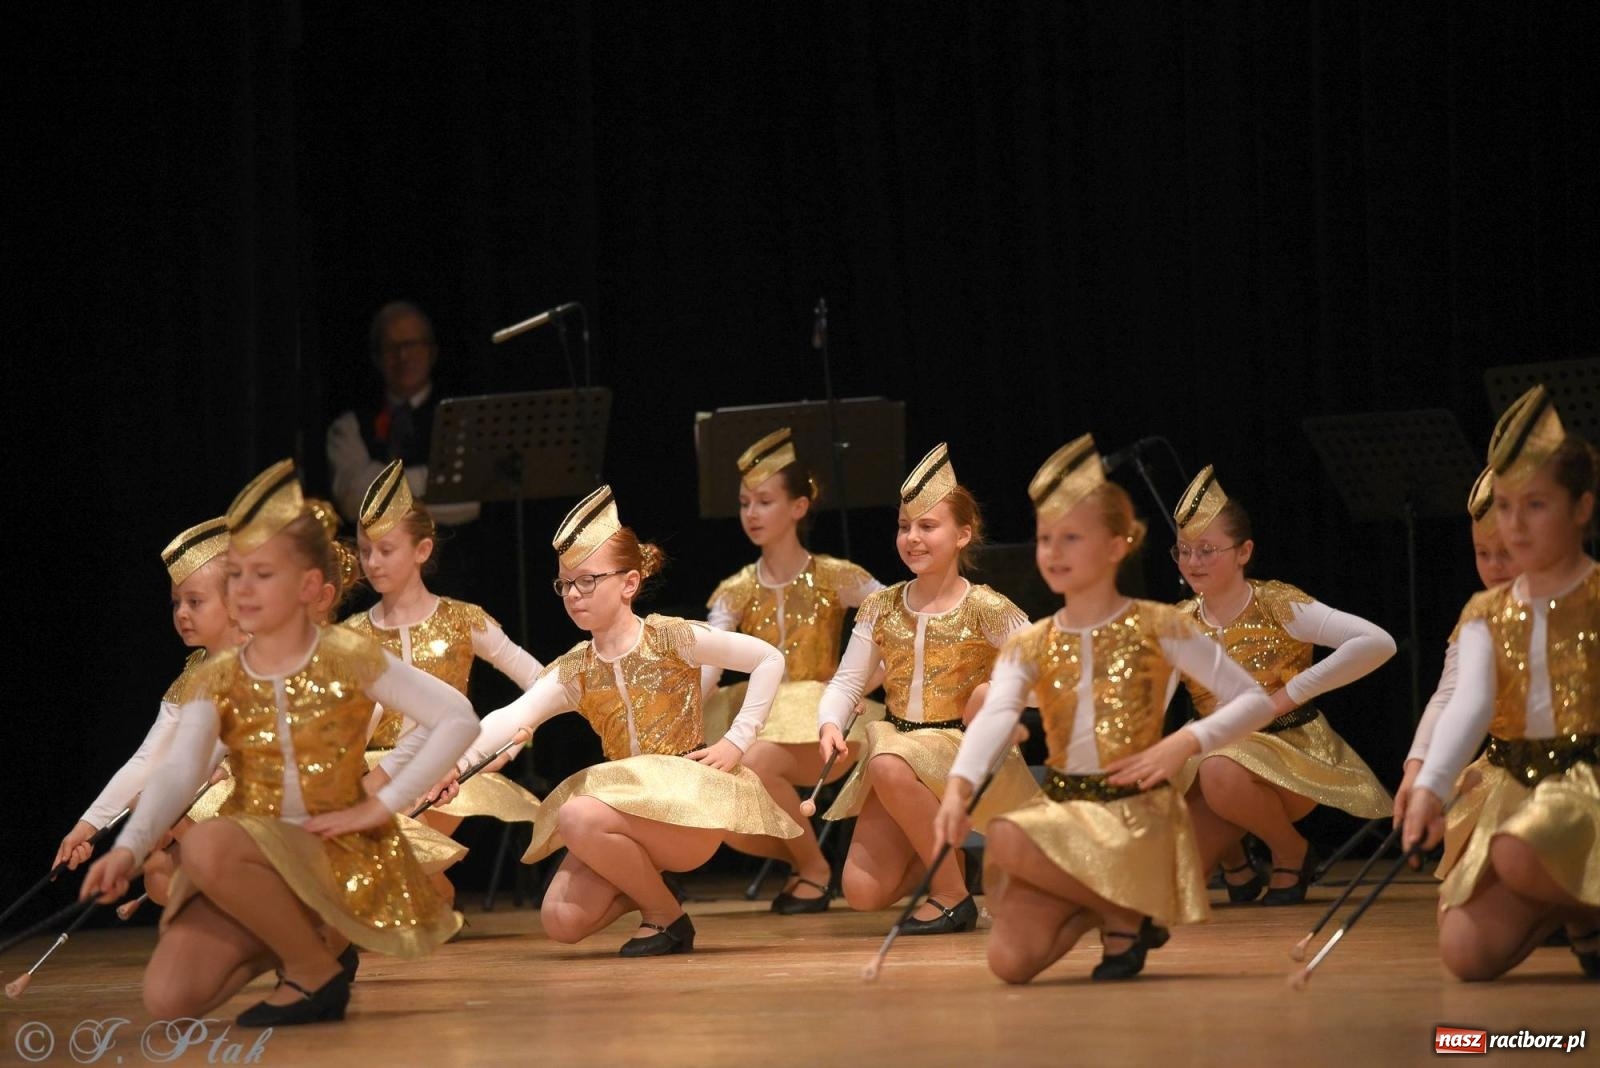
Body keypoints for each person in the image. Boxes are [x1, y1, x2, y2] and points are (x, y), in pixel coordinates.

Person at [80, 460, 479, 1027]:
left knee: (208, 845)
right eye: (238, 575)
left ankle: (311, 970)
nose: (245, 590)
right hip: (265, 858)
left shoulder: (346, 654)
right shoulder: (219, 678)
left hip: (332, 850)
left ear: (308, 587)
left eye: (262, 575)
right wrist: (127, 846)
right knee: (171, 996)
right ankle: (314, 946)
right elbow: (176, 771)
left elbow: (455, 719)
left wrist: (382, 799)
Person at [933, 436, 1276, 981]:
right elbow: (998, 713)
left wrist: (1186, 741)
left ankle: (1126, 910)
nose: (1054, 552)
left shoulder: (1160, 625)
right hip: (1068, 810)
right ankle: (1109, 908)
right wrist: (957, 786)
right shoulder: (1033, 641)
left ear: (1119, 544)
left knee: (1006, 836)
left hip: (1135, 815)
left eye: (1072, 538)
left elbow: (1255, 701)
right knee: (1009, 964)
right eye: (1046, 538)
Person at [446, 486, 802, 956]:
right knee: (561, 921)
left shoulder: (670, 637)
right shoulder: (576, 668)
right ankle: (654, 894)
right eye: (565, 584)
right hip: (624, 812)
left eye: (587, 581)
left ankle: (664, 918)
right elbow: (511, 716)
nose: (573, 595)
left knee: (577, 813)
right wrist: (456, 766)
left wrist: (737, 740)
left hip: (686, 808)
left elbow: (768, 659)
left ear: (629, 583)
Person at [1403, 385, 1599, 981]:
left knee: (1521, 849)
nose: (1514, 525)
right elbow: (1470, 701)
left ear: (1582, 508)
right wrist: (1431, 787)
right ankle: (1580, 913)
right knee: (1464, 954)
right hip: (1520, 783)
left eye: (1535, 506)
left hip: (1591, 781)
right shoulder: (1485, 611)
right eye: (1507, 506)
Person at [816, 444, 1039, 934]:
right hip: (902, 744)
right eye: (903, 526)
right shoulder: (881, 606)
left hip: (962, 750)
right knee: (861, 892)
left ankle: (952, 898)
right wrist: (830, 720)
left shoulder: (987, 607)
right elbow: (849, 680)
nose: (912, 538)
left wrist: (994, 695)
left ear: (963, 535)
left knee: (886, 762)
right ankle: (951, 864)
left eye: (927, 526)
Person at [1168, 465, 1396, 904]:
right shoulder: (1178, 621)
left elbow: (1376, 643)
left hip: (1288, 752)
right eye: (1184, 550)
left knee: (1215, 766)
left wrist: (1285, 697)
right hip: (1212, 761)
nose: (1193, 562)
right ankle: (1236, 865)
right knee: (1174, 881)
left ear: (1243, 551)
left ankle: (1291, 850)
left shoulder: (1277, 604)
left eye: (1207, 550)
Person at [701, 428, 886, 913]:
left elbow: (901, 624)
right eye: (744, 503)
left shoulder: (836, 575)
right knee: (723, 797)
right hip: (758, 711)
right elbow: (708, 663)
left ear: (799, 507)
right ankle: (807, 861)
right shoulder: (734, 589)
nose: (752, 514)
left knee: (755, 762)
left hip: (821, 719)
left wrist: (857, 686)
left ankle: (814, 870)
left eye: (764, 501)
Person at [347, 460, 544, 906]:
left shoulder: (461, 619)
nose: (373, 562)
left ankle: (424, 892)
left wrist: (509, 743)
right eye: (365, 551)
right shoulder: (350, 636)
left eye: (386, 549)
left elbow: (541, 682)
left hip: (447, 775)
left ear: (422, 550)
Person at [55, 518, 241, 904]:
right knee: (162, 883)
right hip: (220, 799)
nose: (181, 614)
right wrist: (88, 826)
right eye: (176, 603)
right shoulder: (193, 676)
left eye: (195, 602)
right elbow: (148, 759)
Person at [1393, 468, 1517, 829]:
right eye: (1483, 553)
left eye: (1507, 553)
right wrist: (1418, 768)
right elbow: (1451, 697)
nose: (1494, 568)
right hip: (1505, 765)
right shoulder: (1480, 614)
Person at [326, 301, 478, 535]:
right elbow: (352, 500)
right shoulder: (350, 425)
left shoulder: (461, 418)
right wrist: (430, 483)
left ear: (432, 351)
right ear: (377, 357)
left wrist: (383, 486)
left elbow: (468, 503)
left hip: (454, 560)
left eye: (412, 344)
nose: (403, 356)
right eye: (391, 347)